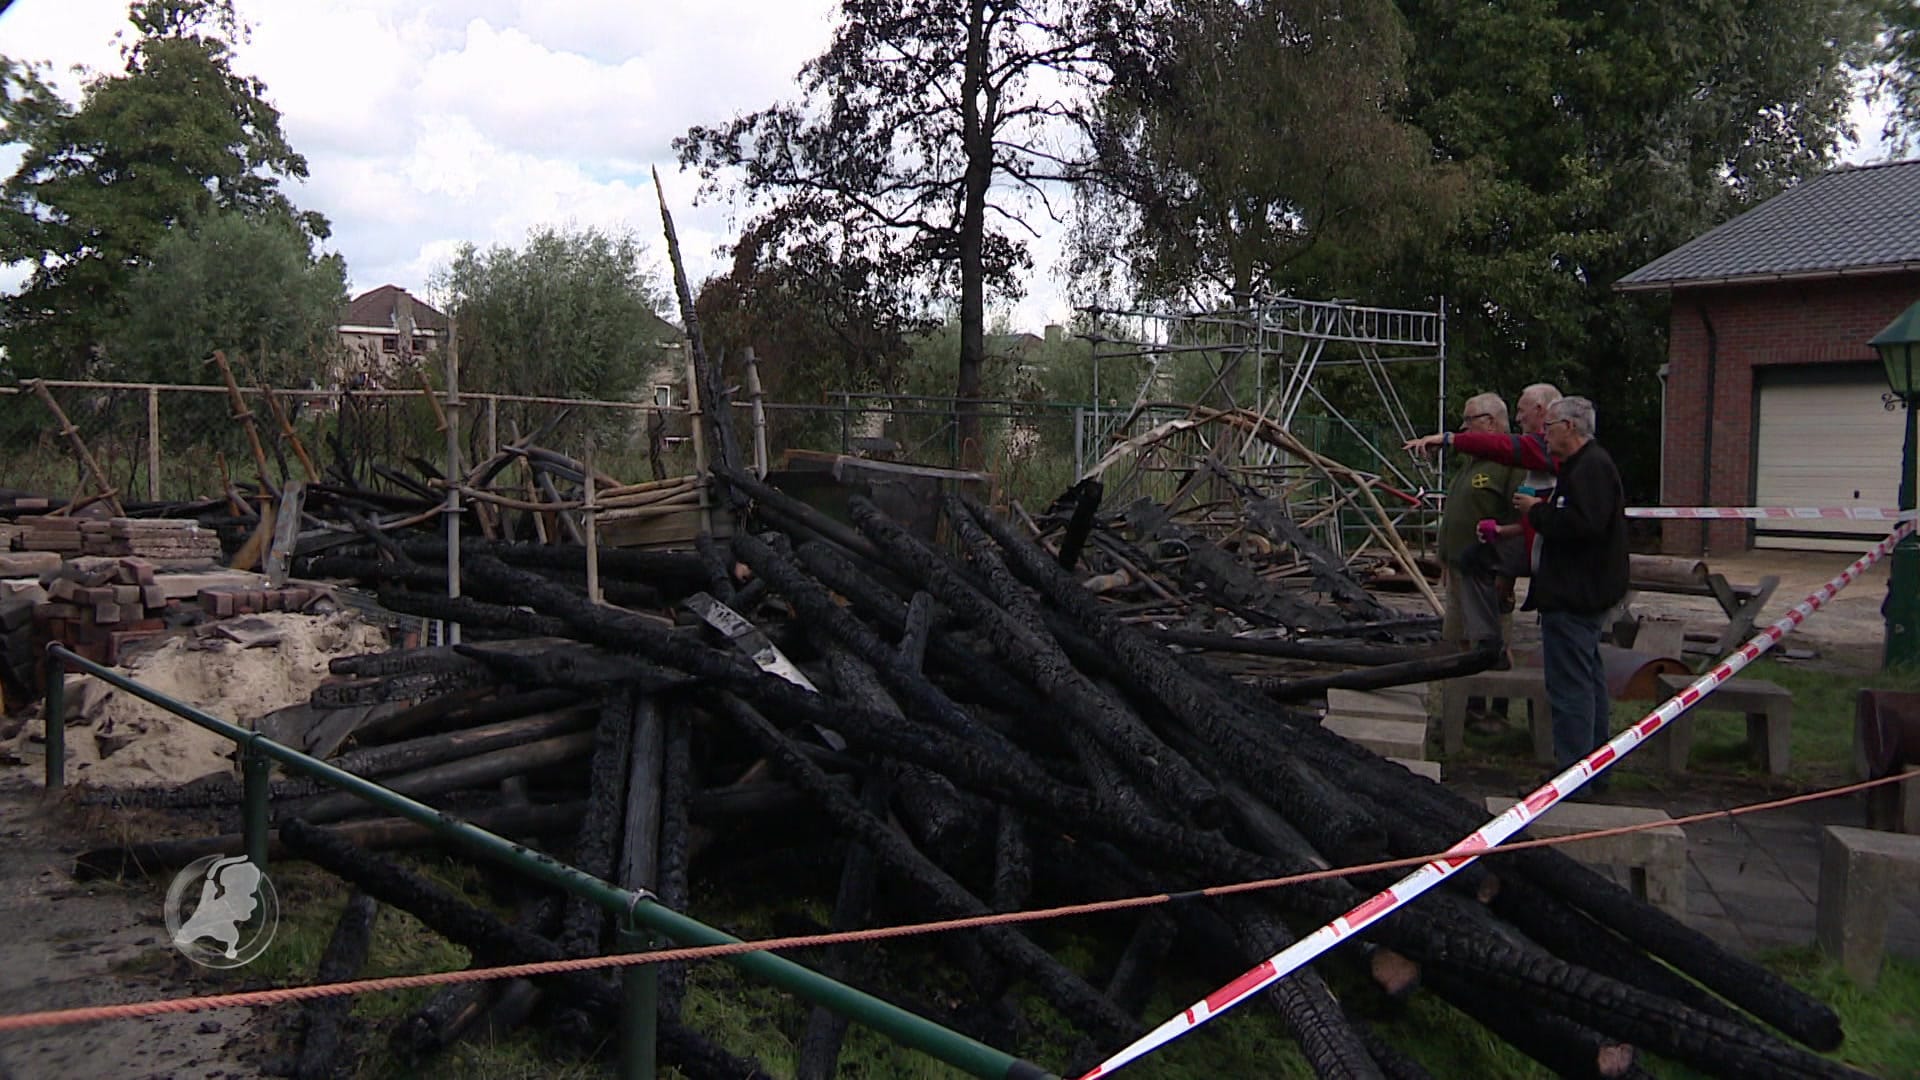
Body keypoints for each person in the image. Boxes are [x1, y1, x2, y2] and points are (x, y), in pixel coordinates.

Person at [1513, 396, 1629, 779]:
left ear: (1571, 427)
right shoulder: (1579, 468)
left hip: (1576, 595)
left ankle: (1572, 774)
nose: (1543, 435)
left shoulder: (1591, 468)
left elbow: (1583, 526)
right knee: (1586, 679)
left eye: (1549, 428)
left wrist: (1538, 513)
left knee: (1571, 687)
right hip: (1576, 592)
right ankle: (1592, 767)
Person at [1434, 393, 1522, 659]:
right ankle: (1466, 698)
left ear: (1491, 422)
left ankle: (1494, 699)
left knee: (1489, 646)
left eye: (1469, 420)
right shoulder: (1472, 463)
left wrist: (1507, 575)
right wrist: (1445, 559)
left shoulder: (1510, 463)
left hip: (1487, 574)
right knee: (1459, 640)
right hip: (1459, 568)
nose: (1463, 428)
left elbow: (1519, 520)